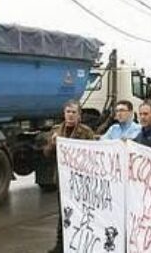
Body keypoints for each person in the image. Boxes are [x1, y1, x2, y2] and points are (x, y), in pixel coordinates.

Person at [45, 101, 96, 253]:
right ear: (64, 113)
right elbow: (47, 154)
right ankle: (60, 245)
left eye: (74, 112)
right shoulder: (56, 130)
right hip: (62, 180)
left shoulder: (86, 132)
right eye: (68, 111)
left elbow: (93, 154)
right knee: (63, 214)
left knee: (82, 214)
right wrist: (53, 144)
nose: (70, 115)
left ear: (79, 115)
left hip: (80, 182)